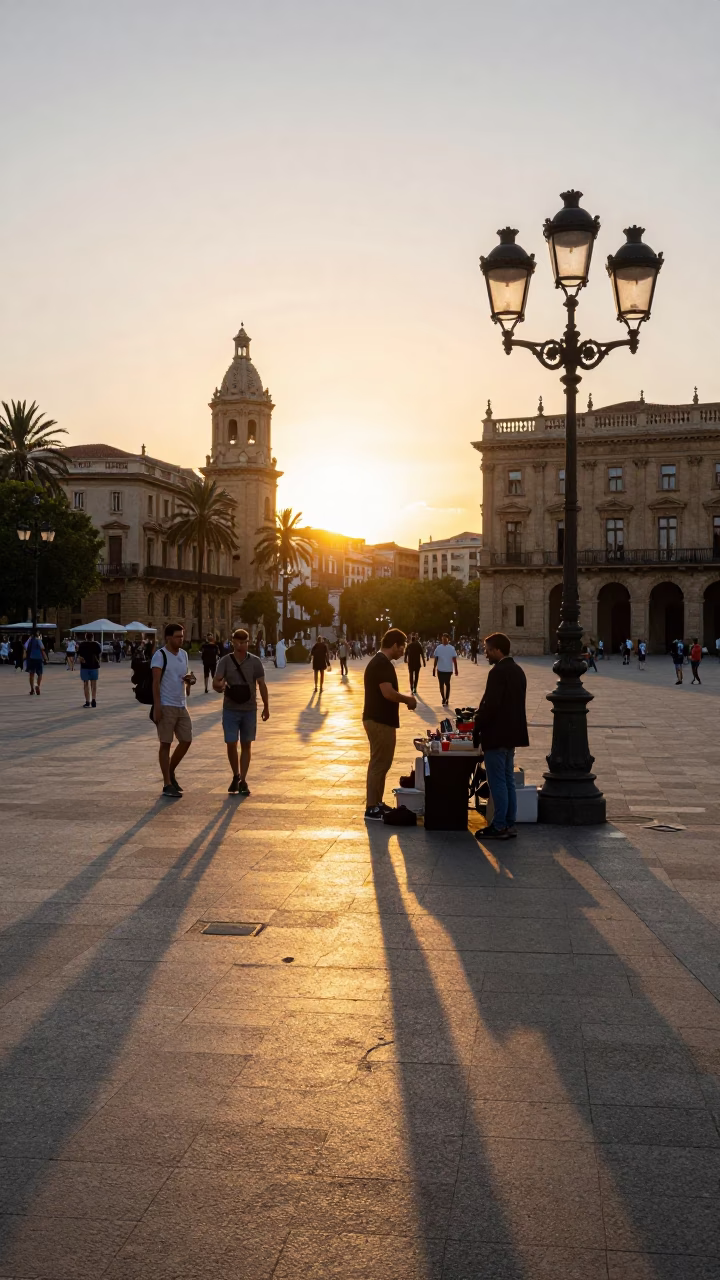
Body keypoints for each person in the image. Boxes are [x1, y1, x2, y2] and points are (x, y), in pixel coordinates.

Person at [473, 632, 529, 840]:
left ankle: (499, 825)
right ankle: (509, 823)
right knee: (507, 780)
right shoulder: (518, 670)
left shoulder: (498, 672)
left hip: (496, 734)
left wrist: (478, 723)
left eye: (487, 650)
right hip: (511, 735)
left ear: (497, 650)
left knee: (497, 782)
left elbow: (492, 705)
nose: (485, 653)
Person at [362, 628, 417, 821]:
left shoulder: (380, 662)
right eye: (402, 647)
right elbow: (388, 693)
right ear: (394, 645)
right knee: (379, 763)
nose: (403, 652)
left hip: (379, 719)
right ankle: (371, 807)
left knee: (382, 763)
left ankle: (376, 803)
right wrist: (408, 699)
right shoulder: (381, 664)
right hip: (379, 720)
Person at [213, 627, 269, 795]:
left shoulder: (255, 661)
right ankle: (235, 775)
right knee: (231, 743)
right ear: (233, 642)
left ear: (248, 642)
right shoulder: (225, 661)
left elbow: (262, 684)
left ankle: (243, 779)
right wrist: (219, 686)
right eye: (238, 642)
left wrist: (266, 706)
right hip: (230, 708)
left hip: (249, 708)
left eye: (244, 642)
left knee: (246, 744)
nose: (242, 645)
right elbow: (216, 682)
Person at [152, 622, 196, 798]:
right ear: (168, 637)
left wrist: (189, 680)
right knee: (166, 743)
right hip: (166, 704)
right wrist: (157, 706)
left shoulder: (184, 655)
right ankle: (167, 783)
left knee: (186, 740)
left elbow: (182, 677)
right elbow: (155, 683)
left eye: (182, 636)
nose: (181, 639)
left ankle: (169, 771)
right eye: (178, 637)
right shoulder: (160, 655)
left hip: (181, 704)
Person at [432, 633, 459, 707]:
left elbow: (454, 659)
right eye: (442, 639)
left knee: (447, 684)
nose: (443, 640)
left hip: (448, 669)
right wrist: (434, 668)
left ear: (448, 640)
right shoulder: (438, 648)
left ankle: (447, 698)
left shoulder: (451, 648)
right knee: (441, 684)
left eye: (445, 639)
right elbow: (436, 658)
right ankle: (443, 698)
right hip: (440, 669)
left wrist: (456, 669)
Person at [77, 632, 102, 706]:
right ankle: (94, 700)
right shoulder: (96, 644)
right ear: (92, 637)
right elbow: (99, 653)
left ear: (85, 637)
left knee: (86, 684)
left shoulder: (82, 645)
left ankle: (87, 701)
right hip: (94, 666)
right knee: (94, 684)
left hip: (85, 666)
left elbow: (79, 655)